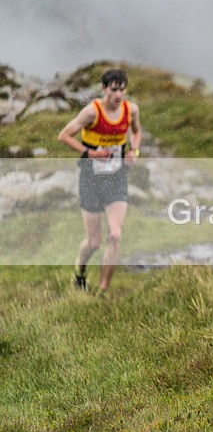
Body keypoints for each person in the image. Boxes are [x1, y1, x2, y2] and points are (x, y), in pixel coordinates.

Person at [57, 69, 142, 294]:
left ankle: (103, 291)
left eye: (122, 89)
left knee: (115, 234)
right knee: (93, 242)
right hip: (91, 179)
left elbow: (136, 132)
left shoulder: (131, 110)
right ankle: (80, 271)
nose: (118, 95)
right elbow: (64, 135)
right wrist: (90, 153)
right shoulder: (91, 112)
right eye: (113, 90)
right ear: (104, 89)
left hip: (116, 177)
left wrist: (133, 151)